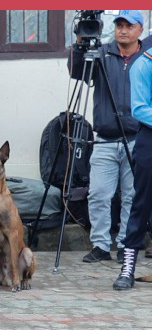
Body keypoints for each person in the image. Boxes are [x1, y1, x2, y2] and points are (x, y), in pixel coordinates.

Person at [72, 11, 148, 264]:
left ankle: (127, 245)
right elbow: (77, 73)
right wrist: (81, 44)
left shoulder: (146, 59)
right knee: (99, 194)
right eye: (119, 25)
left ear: (140, 30)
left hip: (137, 137)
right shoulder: (102, 54)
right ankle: (101, 244)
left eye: (129, 26)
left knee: (131, 195)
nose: (123, 30)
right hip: (105, 138)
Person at [114, 33, 152, 289]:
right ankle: (128, 266)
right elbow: (139, 108)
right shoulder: (143, 64)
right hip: (149, 138)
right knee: (141, 203)